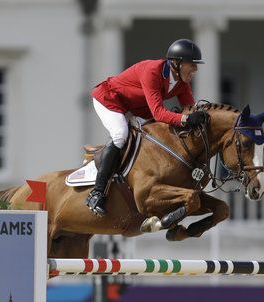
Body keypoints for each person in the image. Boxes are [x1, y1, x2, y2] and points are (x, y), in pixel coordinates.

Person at [86, 38, 207, 216]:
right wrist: (186, 120)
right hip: (110, 99)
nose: (195, 69)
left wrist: (200, 116)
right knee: (120, 134)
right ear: (176, 63)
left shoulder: (182, 82)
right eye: (192, 64)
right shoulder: (153, 71)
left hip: (136, 108)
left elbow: (189, 109)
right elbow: (159, 113)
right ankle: (97, 193)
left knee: (157, 134)